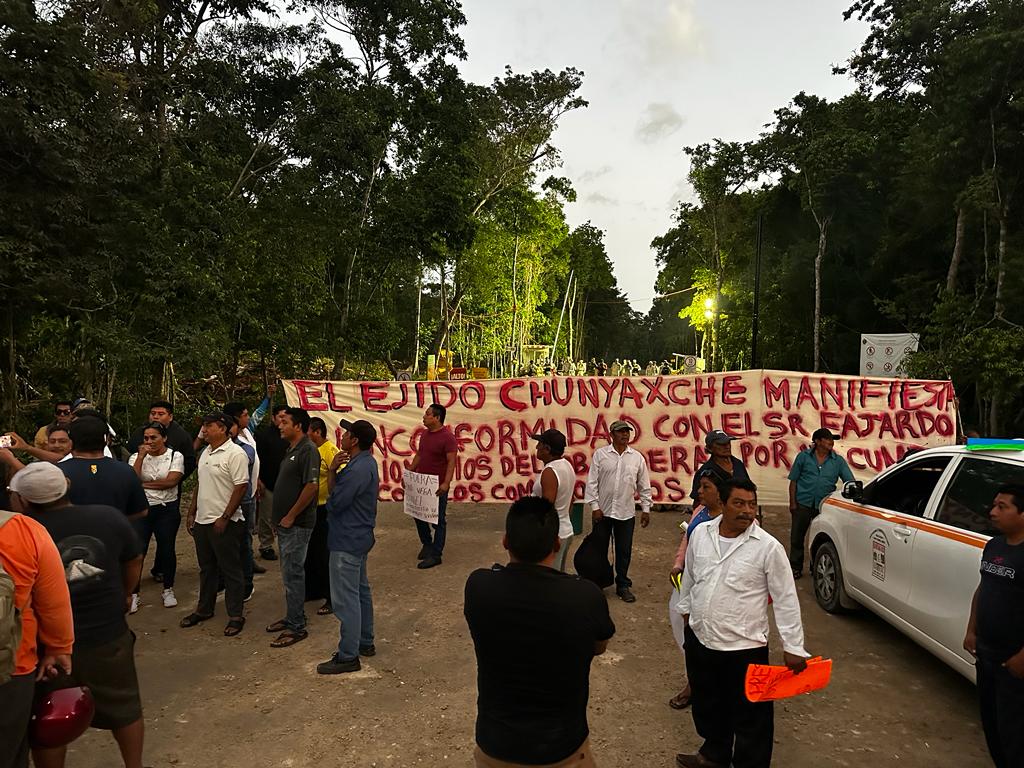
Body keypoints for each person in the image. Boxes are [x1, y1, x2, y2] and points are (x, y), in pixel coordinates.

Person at [10, 462, 146, 768]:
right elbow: (134, 558)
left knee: (47, 717)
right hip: (107, 633)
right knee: (124, 706)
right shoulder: (108, 517)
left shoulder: (21, 531)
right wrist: (126, 593)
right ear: (67, 485)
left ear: (23, 500)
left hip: (46, 645)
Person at [464, 496, 615, 767]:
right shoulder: (585, 596)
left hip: (496, 746)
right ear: (557, 545)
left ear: (505, 542)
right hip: (562, 750)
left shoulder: (479, 587)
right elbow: (599, 645)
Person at [676, 478, 809, 768]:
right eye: (739, 503)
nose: (747, 511)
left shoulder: (768, 548)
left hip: (745, 648)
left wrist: (793, 646)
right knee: (708, 705)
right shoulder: (700, 535)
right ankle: (714, 755)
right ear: (721, 504)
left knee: (753, 718)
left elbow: (785, 597)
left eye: (752, 504)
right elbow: (691, 577)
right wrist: (686, 610)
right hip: (702, 639)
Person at [0, 461, 74, 768]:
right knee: (11, 749)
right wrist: (59, 647)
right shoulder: (21, 529)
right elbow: (52, 600)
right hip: (13, 663)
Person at [963, 484, 1024, 768]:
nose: (992, 512)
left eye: (1003, 507)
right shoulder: (994, 545)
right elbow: (983, 588)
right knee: (993, 727)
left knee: (1015, 735)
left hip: (1014, 663)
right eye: (993, 505)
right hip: (986, 656)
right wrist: (971, 630)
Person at [317, 419, 379, 675]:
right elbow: (337, 494)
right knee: (360, 591)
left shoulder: (356, 470)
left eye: (347, 433)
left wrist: (333, 478)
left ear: (354, 441)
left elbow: (335, 502)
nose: (341, 436)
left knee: (346, 600)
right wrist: (332, 471)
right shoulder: (363, 463)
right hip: (358, 537)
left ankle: (348, 655)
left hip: (347, 539)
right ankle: (365, 641)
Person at [180, 412, 249, 637]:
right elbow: (201, 484)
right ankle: (204, 609)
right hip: (203, 521)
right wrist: (191, 512)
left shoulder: (235, 453)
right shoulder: (205, 453)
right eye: (204, 425)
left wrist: (225, 517)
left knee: (230, 569)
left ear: (222, 428)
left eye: (208, 426)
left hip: (225, 522)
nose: (204, 430)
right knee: (207, 568)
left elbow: (240, 487)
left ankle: (236, 615)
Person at [667, 470, 727, 710]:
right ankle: (694, 680)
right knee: (682, 627)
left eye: (705, 487)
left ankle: (709, 685)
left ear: (720, 493)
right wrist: (678, 564)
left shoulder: (731, 519)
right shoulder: (699, 512)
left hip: (714, 588)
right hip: (688, 581)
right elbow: (687, 540)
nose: (699, 492)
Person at [265, 407, 319, 648]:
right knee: (288, 574)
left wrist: (290, 516)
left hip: (297, 525)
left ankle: (297, 627)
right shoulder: (292, 449)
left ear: (298, 426)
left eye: (285, 422)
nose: (280, 425)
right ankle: (292, 617)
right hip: (286, 524)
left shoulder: (308, 450)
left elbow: (311, 487)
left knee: (293, 575)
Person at [583, 420, 652, 602]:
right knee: (599, 549)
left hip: (626, 512)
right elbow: (592, 483)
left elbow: (644, 485)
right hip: (603, 512)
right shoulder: (601, 455)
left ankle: (623, 585)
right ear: (611, 435)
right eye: (620, 432)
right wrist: (595, 507)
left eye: (627, 432)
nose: (625, 435)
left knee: (623, 550)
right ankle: (598, 584)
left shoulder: (637, 458)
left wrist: (646, 509)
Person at [128, 422, 185, 611]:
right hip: (142, 509)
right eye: (146, 438)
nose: (149, 441)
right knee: (139, 551)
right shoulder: (136, 457)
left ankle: (168, 589)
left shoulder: (175, 456)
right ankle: (134, 593)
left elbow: (171, 481)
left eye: (154, 437)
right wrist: (141, 457)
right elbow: (131, 480)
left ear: (164, 438)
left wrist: (142, 485)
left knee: (166, 549)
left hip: (166, 508)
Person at [787, 428, 855, 579]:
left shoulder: (838, 461)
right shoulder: (803, 457)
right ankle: (795, 567)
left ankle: (816, 567)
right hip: (802, 503)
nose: (831, 442)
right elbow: (794, 481)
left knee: (821, 538)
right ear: (817, 441)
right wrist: (792, 503)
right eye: (828, 439)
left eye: (832, 439)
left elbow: (850, 481)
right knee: (797, 538)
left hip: (824, 507)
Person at [60, 417, 149, 521]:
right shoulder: (126, 471)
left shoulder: (57, 472)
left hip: (70, 534)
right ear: (106, 440)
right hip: (114, 533)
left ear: (70, 442)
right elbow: (142, 511)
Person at [406, 403, 458, 570]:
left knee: (438, 520)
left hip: (437, 486)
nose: (424, 416)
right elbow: (420, 454)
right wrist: (410, 471)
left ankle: (436, 554)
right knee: (418, 515)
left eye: (427, 414)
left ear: (437, 417)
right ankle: (427, 544)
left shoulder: (448, 437)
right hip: (422, 483)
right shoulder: (425, 435)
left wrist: (446, 483)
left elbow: (451, 462)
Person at [529, 428, 576, 572]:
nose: (537, 447)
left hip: (552, 535)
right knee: (556, 578)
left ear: (547, 449)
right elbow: (571, 501)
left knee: (547, 582)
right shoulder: (566, 465)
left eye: (540, 444)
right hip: (563, 530)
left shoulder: (550, 472)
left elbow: (546, 508)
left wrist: (543, 534)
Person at [306, 417, 339, 616]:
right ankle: (313, 590)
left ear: (317, 432)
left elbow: (341, 480)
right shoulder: (309, 450)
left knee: (324, 554)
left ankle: (331, 597)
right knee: (311, 553)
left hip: (324, 509)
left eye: (308, 430)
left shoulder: (330, 451)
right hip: (309, 509)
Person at [227, 418, 259, 601]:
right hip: (221, 502)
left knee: (244, 542)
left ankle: (246, 584)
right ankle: (225, 581)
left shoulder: (244, 449)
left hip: (244, 501)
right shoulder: (209, 451)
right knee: (224, 544)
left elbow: (242, 475)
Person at [125, 401, 196, 479]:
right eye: (153, 413)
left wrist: (176, 479)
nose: (155, 417)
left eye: (160, 414)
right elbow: (129, 454)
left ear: (170, 417)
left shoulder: (182, 436)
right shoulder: (139, 433)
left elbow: (190, 462)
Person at [254, 404, 289, 561]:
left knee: (286, 517)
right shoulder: (263, 435)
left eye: (286, 417)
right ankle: (266, 546)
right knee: (266, 517)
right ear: (273, 417)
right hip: (268, 482)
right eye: (280, 416)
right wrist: (258, 479)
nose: (283, 420)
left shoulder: (291, 434)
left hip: (288, 485)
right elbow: (257, 459)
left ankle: (286, 544)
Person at [689, 430, 750, 504]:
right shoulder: (705, 472)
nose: (727, 446)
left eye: (728, 443)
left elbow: (749, 489)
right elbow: (698, 502)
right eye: (721, 444)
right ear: (710, 448)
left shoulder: (738, 464)